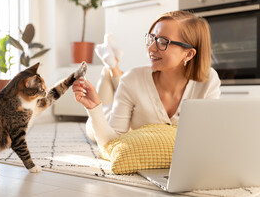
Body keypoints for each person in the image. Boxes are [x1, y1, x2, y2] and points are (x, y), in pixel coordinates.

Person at [72, 10, 221, 148]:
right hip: (107, 116)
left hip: (129, 96)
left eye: (163, 42)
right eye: (151, 39)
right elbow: (112, 143)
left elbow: (206, 139)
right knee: (93, 126)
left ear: (188, 54)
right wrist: (93, 107)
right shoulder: (132, 78)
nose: (151, 48)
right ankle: (109, 68)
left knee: (126, 83)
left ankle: (112, 65)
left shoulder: (208, 81)